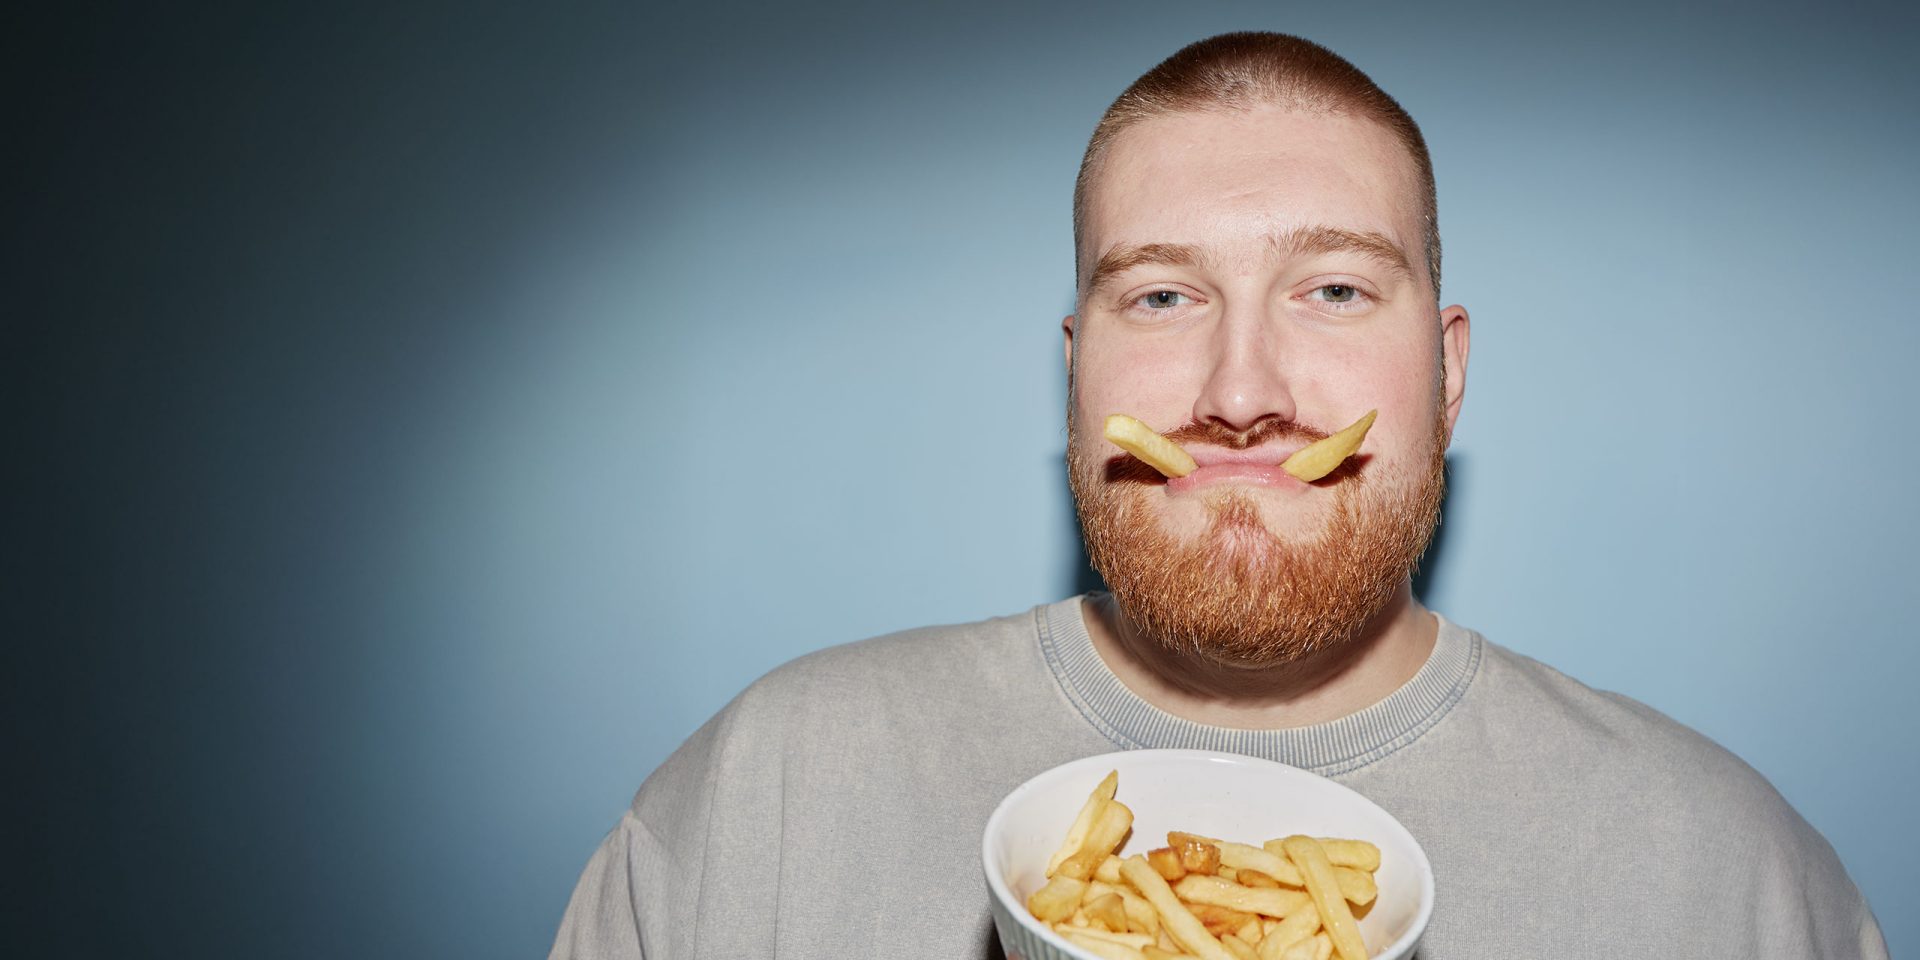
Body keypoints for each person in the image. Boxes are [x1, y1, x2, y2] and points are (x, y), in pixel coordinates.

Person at [549, 32, 1886, 959]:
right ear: (1079, 373)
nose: (1242, 390)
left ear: (1449, 369)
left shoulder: (1729, 876)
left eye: (1334, 291)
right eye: (1164, 295)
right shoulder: (766, 797)